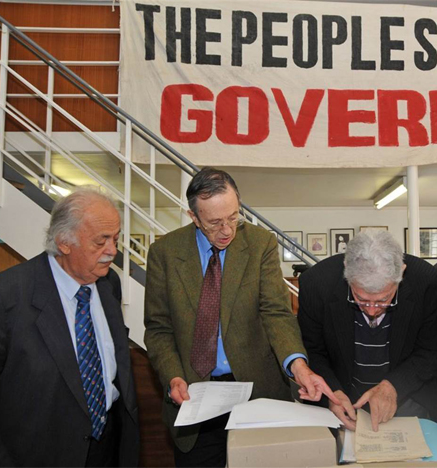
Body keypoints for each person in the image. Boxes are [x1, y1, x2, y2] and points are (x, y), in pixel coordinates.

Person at [144, 167, 338, 467]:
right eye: (214, 223)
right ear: (193, 217)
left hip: (258, 392)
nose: (226, 231)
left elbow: (276, 312)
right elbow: (158, 328)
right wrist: (173, 375)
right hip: (197, 396)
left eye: (234, 217)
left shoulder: (260, 243)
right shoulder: (164, 253)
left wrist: (298, 366)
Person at [0, 188, 140, 467]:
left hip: (108, 447)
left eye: (116, 238)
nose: (113, 251)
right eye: (101, 241)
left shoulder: (110, 284)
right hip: (42, 454)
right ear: (64, 242)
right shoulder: (6, 296)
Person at [297, 230, 437, 432]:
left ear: (401, 272)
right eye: (361, 299)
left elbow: (432, 350)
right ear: (346, 271)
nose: (372, 310)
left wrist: (393, 387)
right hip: (342, 394)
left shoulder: (428, 283)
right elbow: (313, 350)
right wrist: (333, 392)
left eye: (384, 300)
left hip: (406, 395)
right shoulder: (316, 284)